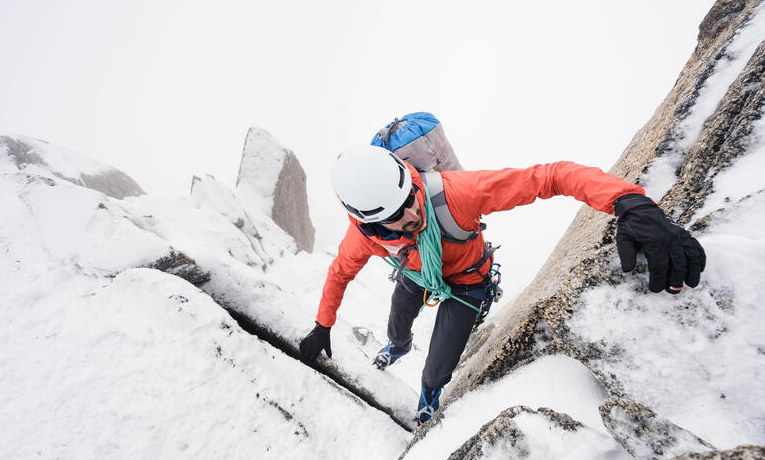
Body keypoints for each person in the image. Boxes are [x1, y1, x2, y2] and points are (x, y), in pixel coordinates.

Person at [299, 145, 706, 426]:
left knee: (438, 365)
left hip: (467, 283)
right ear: (369, 223)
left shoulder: (456, 194)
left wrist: (628, 202)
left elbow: (551, 176)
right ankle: (398, 345)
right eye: (398, 214)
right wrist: (323, 324)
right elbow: (339, 275)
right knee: (397, 320)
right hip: (417, 274)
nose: (413, 210)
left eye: (410, 196)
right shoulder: (363, 239)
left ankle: (427, 399)